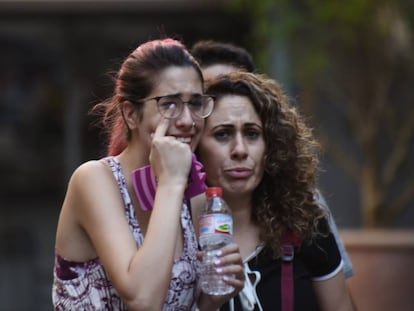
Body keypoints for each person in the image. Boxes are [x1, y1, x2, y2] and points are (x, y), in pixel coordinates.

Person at [52, 38, 244, 311]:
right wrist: (170, 182)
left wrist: (210, 301)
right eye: (170, 104)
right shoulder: (94, 180)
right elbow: (143, 299)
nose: (188, 120)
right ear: (131, 114)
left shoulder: (193, 195)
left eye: (196, 103)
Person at [191, 39, 354, 279]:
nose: (240, 150)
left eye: (252, 133)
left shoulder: (301, 211)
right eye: (222, 133)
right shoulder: (173, 221)